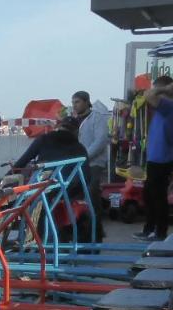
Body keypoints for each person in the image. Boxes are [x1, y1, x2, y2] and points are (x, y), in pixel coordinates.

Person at [136, 76, 173, 242]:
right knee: (150, 195)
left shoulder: (171, 106)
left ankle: (159, 232)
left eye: (158, 89)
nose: (156, 93)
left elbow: (148, 95)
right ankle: (150, 229)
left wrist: (163, 90)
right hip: (158, 157)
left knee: (157, 198)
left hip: (161, 158)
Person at [13, 117, 90, 198]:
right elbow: (87, 176)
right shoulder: (80, 148)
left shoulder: (43, 139)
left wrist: (8, 175)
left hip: (40, 189)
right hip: (66, 192)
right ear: (76, 132)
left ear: (59, 127)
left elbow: (22, 162)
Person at [71, 91, 109, 236]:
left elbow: (100, 141)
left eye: (78, 102)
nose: (75, 105)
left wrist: (85, 156)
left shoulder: (97, 118)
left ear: (87, 102)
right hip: (77, 162)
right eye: (73, 102)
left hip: (94, 162)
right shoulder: (73, 120)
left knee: (92, 190)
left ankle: (97, 228)